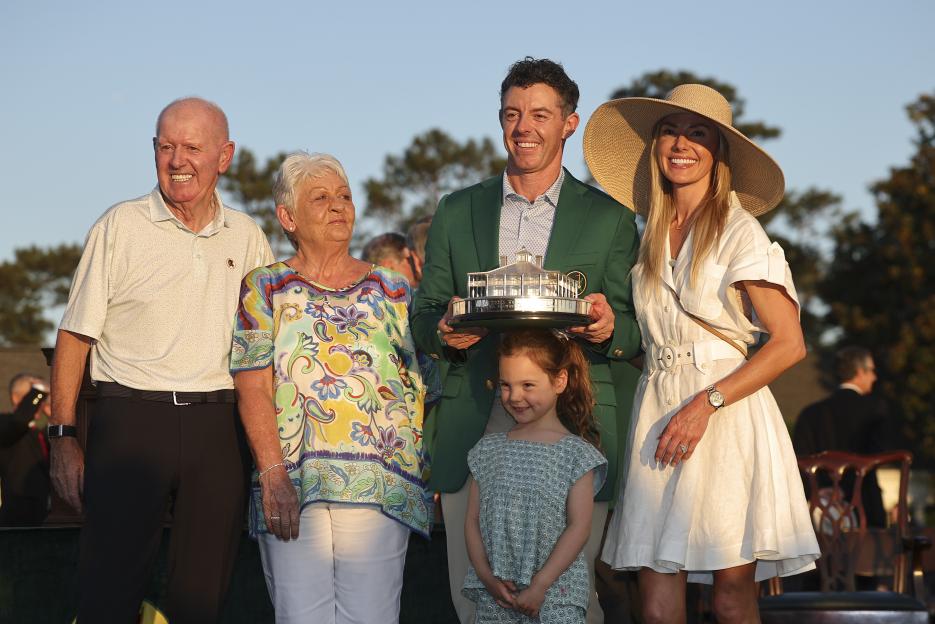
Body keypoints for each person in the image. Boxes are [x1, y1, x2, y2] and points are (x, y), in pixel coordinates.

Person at [412, 56, 641, 624]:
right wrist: (443, 331)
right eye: (512, 114)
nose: (524, 127)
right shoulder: (458, 208)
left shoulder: (610, 219)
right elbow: (424, 313)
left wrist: (611, 327)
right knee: (474, 597)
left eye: (540, 114)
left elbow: (638, 327)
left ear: (569, 123)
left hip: (575, 421)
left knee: (568, 596)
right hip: (479, 415)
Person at [584, 84, 820, 623]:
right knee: (655, 584)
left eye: (698, 133)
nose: (681, 144)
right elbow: (651, 342)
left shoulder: (741, 232)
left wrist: (705, 404)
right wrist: (608, 325)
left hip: (726, 413)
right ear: (655, 146)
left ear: (719, 152)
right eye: (670, 130)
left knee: (731, 590)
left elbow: (789, 343)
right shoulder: (648, 236)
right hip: (656, 409)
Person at [48, 97, 273, 623]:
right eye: (166, 146)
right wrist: (62, 438)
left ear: (225, 156)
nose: (178, 160)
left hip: (219, 429)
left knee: (202, 599)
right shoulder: (119, 225)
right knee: (108, 591)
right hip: (130, 425)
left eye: (192, 147)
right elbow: (73, 337)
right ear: (153, 151)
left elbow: (266, 350)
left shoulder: (248, 237)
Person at [231, 151, 431, 624]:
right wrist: (273, 473)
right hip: (293, 484)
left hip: (381, 486)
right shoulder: (265, 288)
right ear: (287, 217)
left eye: (344, 195)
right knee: (301, 618)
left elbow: (423, 381)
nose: (338, 206)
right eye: (320, 198)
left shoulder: (393, 289)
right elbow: (252, 385)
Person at [463, 329, 607, 624]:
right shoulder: (487, 449)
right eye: (506, 385)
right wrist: (486, 577)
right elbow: (473, 520)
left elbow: (579, 527)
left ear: (559, 381)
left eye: (528, 385)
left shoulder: (577, 454)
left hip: (556, 595)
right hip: (499, 594)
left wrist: (541, 584)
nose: (515, 397)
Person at [794, 346, 888, 526]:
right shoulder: (875, 411)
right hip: (865, 513)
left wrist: (821, 490)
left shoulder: (810, 414)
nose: (875, 377)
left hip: (818, 515)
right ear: (860, 372)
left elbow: (799, 461)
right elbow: (878, 456)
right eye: (872, 371)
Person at [0, 373, 51, 526]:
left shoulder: (39, 431)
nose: (40, 403)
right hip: (17, 517)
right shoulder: (5, 424)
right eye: (32, 396)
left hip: (45, 513)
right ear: (16, 398)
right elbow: (19, 421)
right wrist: (40, 391)